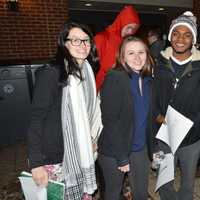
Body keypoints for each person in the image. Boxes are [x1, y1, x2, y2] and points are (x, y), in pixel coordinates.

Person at [27, 22, 102, 200]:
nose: (83, 45)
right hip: (53, 157)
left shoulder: (87, 73)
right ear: (64, 44)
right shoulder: (51, 73)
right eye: (76, 40)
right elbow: (36, 119)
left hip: (81, 154)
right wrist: (36, 164)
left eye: (86, 41)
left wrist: (90, 138)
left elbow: (86, 116)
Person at [97, 36, 154, 200]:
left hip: (139, 149)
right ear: (122, 57)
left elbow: (147, 118)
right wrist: (122, 157)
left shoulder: (148, 79)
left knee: (141, 193)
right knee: (114, 194)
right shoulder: (115, 78)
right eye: (131, 53)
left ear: (147, 54)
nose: (137, 57)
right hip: (115, 150)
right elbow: (110, 121)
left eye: (141, 52)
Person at [153, 11, 200, 200]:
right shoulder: (158, 64)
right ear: (170, 36)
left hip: (193, 138)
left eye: (187, 34)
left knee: (188, 182)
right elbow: (151, 96)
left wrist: (193, 124)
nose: (180, 39)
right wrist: (157, 116)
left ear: (193, 40)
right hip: (164, 135)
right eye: (176, 33)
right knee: (164, 179)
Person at [95, 5, 140, 91]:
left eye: (134, 29)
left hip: (121, 87)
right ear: (121, 23)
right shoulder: (102, 38)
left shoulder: (128, 43)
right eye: (128, 27)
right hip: (101, 89)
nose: (131, 32)